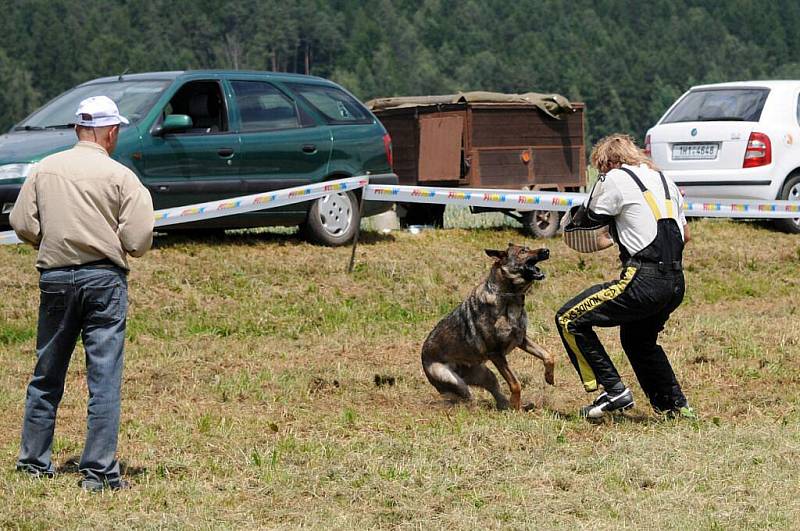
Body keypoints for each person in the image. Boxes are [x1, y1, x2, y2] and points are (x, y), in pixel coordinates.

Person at [10, 96, 154, 490]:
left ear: (77, 129)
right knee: (103, 378)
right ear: (111, 132)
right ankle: (99, 472)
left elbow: (21, 221)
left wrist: (48, 238)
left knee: (46, 373)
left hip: (55, 278)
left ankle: (33, 462)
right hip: (104, 280)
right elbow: (139, 240)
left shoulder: (45, 169)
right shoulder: (122, 177)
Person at [555, 134, 694, 419]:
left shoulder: (614, 178)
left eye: (601, 168)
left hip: (643, 279)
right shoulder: (665, 180)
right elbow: (686, 234)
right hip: (676, 282)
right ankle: (676, 408)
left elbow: (587, 221)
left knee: (568, 318)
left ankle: (613, 391)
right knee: (639, 341)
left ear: (611, 162)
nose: (601, 174)